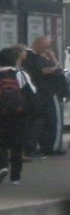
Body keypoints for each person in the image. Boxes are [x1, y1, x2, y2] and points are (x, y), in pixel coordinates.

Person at [22, 36, 68, 156]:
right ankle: (42, 147)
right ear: (38, 44)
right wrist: (49, 69)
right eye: (46, 46)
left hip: (46, 91)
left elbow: (57, 68)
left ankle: (48, 146)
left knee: (48, 120)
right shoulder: (31, 57)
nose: (47, 49)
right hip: (42, 92)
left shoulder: (38, 57)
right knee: (46, 120)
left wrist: (52, 58)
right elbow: (43, 71)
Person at [0, 46, 33, 184]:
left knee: (0, 143)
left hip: (1, 113)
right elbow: (32, 92)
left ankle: (2, 165)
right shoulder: (20, 74)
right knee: (16, 145)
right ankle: (16, 177)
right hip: (18, 114)